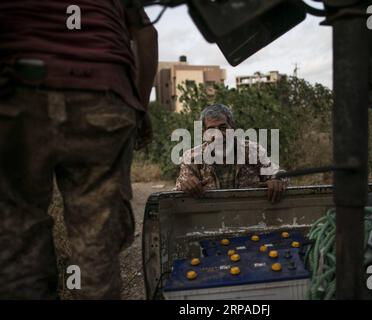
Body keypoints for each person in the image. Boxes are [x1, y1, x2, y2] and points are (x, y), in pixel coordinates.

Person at [0, 1, 158, 299]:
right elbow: (146, 35)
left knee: (17, 243)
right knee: (96, 245)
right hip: (101, 97)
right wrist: (139, 106)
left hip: (16, 91)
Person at [175, 104, 287, 203]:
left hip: (249, 218)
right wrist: (186, 185)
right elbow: (179, 188)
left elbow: (280, 175)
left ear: (232, 127)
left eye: (223, 127)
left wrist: (276, 180)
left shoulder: (253, 151)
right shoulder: (192, 157)